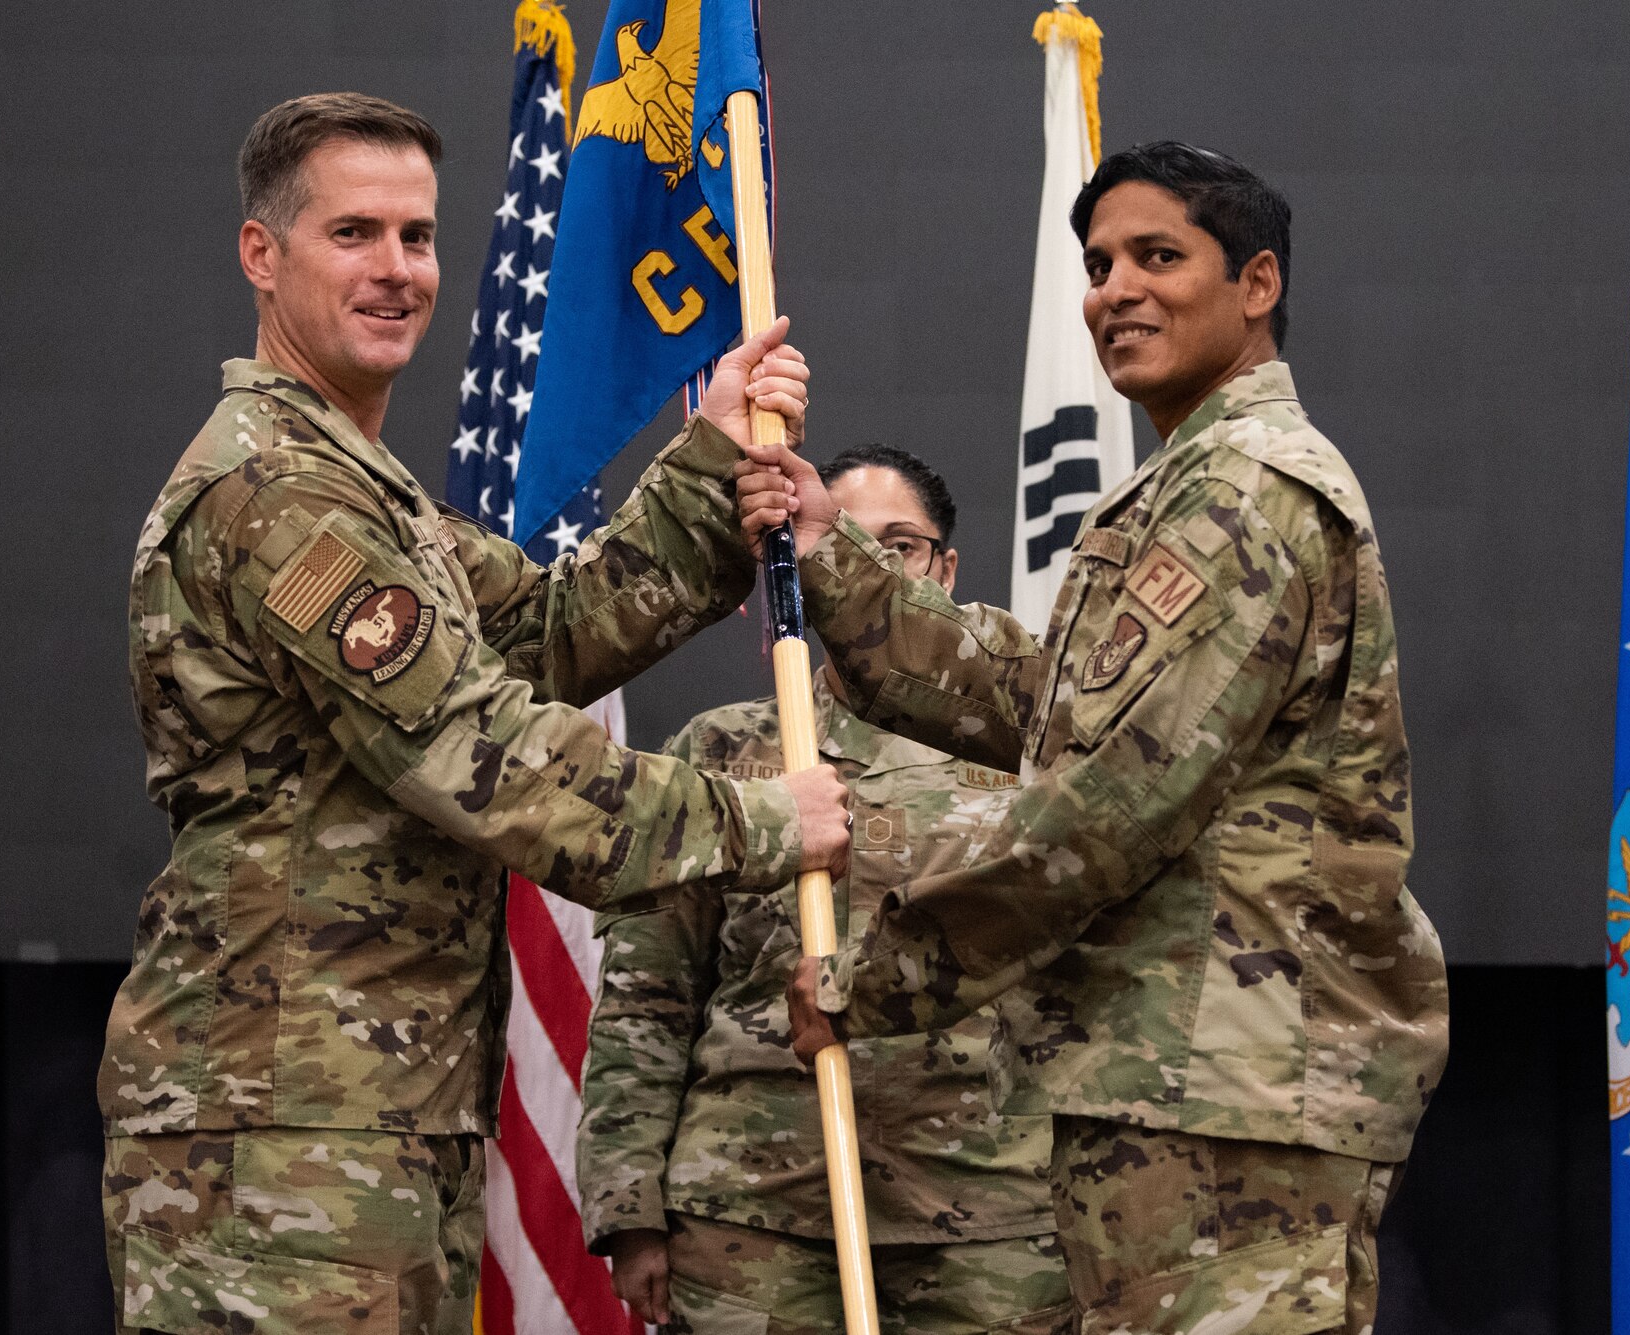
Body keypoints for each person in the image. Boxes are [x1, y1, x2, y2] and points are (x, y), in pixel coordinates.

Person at [98, 92, 850, 1335]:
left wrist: (714, 458)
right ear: (259, 253)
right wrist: (762, 821)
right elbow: (478, 754)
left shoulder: (363, 490)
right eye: (353, 233)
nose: (396, 271)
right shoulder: (275, 492)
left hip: (375, 1107)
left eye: (416, 237)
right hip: (283, 1130)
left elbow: (553, 634)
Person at [743, 142, 1449, 1333]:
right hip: (1172, 1080)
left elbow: (1104, 809)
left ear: (1257, 281)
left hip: (1227, 1091)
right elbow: (1053, 710)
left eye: (1156, 257)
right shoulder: (1187, 482)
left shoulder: (1247, 491)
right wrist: (833, 560)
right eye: (1097, 263)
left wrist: (870, 983)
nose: (1113, 290)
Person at [578, 445, 1074, 1335]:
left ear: (946, 568)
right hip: (757, 1212)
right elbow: (648, 996)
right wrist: (629, 1205)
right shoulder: (723, 753)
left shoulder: (1027, 756)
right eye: (844, 539)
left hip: (990, 1212)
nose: (873, 565)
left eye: (903, 545)